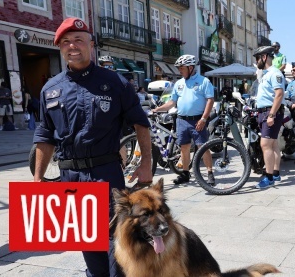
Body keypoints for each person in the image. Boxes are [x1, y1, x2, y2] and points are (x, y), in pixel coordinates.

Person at [33, 17, 153, 276]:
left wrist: (146, 164)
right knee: (88, 243)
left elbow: (140, 124)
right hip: (71, 179)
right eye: (65, 42)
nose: (72, 46)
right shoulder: (50, 89)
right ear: (60, 48)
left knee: (119, 244)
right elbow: (44, 134)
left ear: (91, 45)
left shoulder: (115, 83)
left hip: (106, 173)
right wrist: (38, 176)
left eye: (78, 40)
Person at [152, 54, 214, 185]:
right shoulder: (179, 83)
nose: (179, 70)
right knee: (184, 148)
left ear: (190, 68)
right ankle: (185, 173)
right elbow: (172, 102)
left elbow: (210, 100)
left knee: (203, 147)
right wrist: (157, 110)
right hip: (181, 120)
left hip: (198, 120)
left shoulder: (204, 81)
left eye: (181, 68)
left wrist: (204, 119)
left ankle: (209, 173)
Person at [253, 46, 285, 188]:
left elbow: (279, 94)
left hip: (270, 112)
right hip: (264, 112)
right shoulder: (265, 73)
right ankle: (276, 173)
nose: (256, 61)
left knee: (265, 144)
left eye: (257, 58)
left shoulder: (275, 73)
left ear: (264, 57)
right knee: (273, 144)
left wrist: (271, 114)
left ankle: (269, 177)